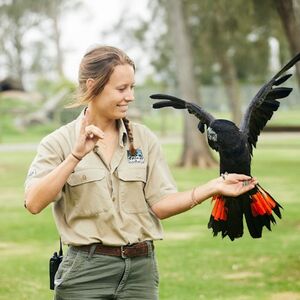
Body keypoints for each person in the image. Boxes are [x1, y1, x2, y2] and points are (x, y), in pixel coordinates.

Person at [24, 45, 257, 300]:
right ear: (92, 86)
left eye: (132, 87)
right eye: (122, 89)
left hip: (140, 272)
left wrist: (213, 186)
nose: (130, 96)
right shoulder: (57, 142)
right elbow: (34, 203)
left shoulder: (144, 139)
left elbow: (160, 205)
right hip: (85, 274)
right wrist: (75, 156)